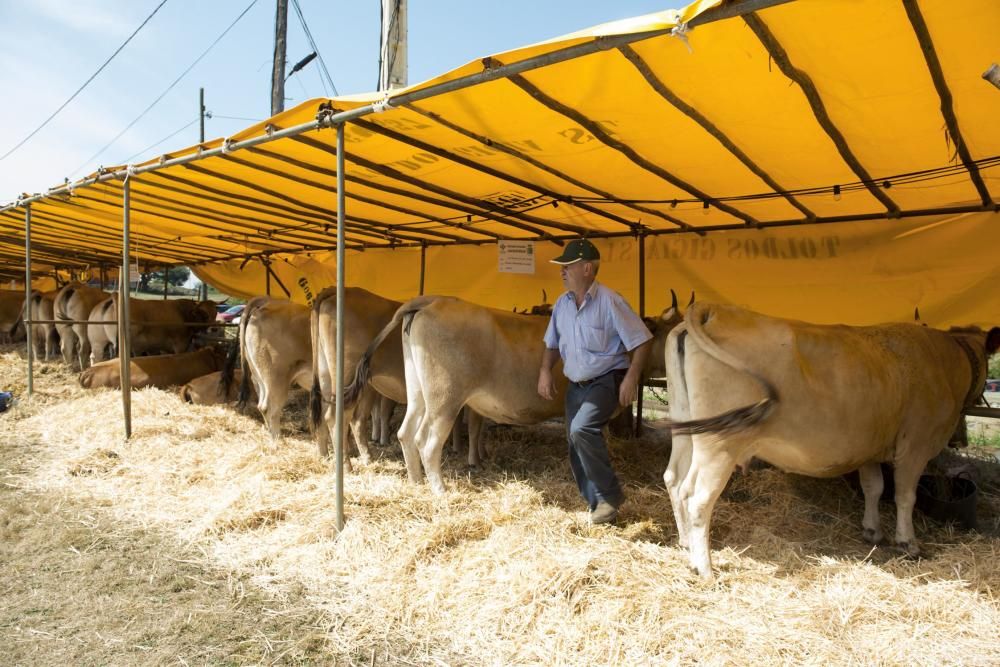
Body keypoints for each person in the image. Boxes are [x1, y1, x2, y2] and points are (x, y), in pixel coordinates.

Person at [537, 239, 652, 525]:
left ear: (587, 268)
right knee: (574, 441)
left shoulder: (611, 300)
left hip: (607, 379)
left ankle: (609, 497)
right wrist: (545, 370)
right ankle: (598, 508)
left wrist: (631, 377)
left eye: (568, 265)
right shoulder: (561, 306)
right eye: (561, 266)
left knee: (582, 429)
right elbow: (552, 344)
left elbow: (642, 340)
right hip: (576, 384)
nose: (562, 271)